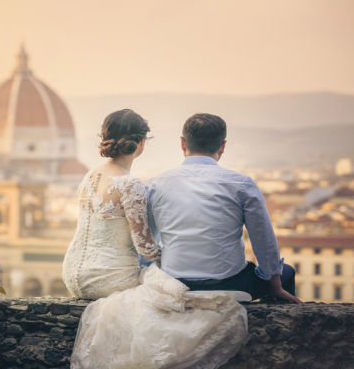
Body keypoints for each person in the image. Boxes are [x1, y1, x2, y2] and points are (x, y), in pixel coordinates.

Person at [63, 109, 250, 369]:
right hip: (107, 279)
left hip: (73, 275)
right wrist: (167, 256)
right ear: (140, 144)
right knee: (173, 294)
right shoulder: (130, 184)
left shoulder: (90, 176)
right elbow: (145, 246)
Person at [144, 113, 301, 304]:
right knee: (288, 272)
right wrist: (275, 286)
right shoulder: (242, 184)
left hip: (175, 282)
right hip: (230, 283)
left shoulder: (154, 185)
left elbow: (148, 239)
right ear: (222, 146)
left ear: (183, 143)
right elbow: (263, 240)